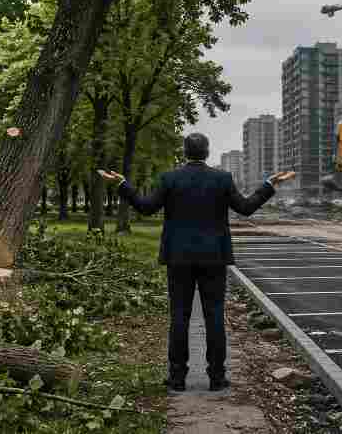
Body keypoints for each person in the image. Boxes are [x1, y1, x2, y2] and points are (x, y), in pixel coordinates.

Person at [100, 133, 294, 392]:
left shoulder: (170, 178)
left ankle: (177, 378)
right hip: (214, 258)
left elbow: (146, 208)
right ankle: (217, 377)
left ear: (184, 151)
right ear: (207, 152)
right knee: (214, 316)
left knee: (179, 317)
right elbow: (246, 208)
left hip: (178, 258)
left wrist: (123, 184)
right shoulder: (222, 179)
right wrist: (269, 184)